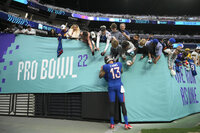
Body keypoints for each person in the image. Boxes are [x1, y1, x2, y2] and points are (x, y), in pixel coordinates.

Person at [99, 55, 132, 130]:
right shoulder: (119, 64)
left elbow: (100, 76)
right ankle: (126, 124)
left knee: (112, 104)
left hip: (111, 86)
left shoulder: (105, 66)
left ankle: (112, 124)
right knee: (122, 104)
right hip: (119, 85)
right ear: (112, 59)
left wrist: (102, 69)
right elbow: (121, 71)